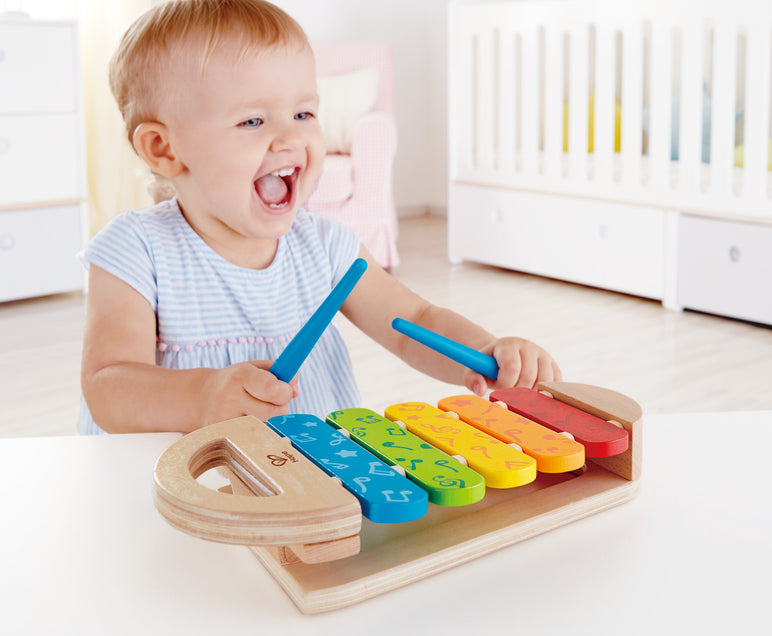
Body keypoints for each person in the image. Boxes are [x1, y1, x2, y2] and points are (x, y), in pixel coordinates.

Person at [79, 0, 561, 435]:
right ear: (164, 149)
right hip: (186, 487)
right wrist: (202, 396)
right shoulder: (136, 251)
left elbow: (415, 320)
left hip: (310, 473)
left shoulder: (328, 247)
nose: (290, 139)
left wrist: (488, 351)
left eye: (304, 114)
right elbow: (108, 386)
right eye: (252, 121)